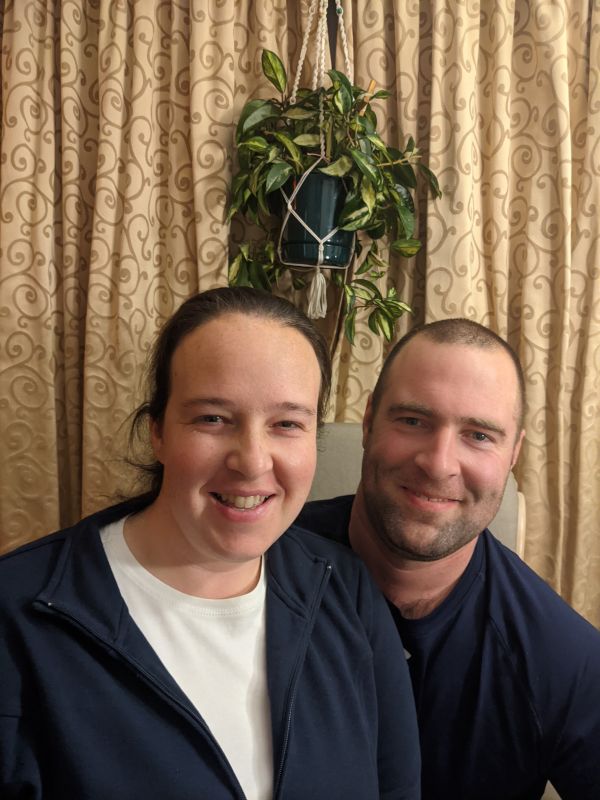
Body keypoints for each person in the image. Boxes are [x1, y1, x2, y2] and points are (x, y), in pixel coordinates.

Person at [0, 287, 421, 800]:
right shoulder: (20, 613)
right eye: (213, 419)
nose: (253, 461)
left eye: (287, 424)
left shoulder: (346, 590)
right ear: (158, 431)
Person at [296, 318, 600, 800]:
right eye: (413, 421)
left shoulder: (565, 660)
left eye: (479, 435)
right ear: (369, 421)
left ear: (513, 453)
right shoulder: (255, 564)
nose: (438, 464)